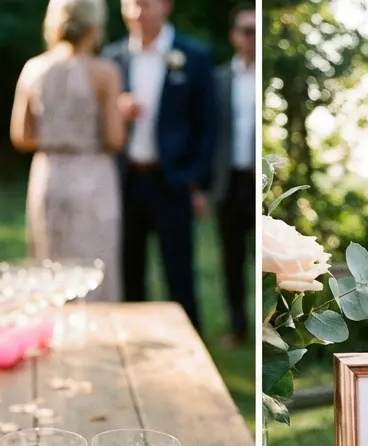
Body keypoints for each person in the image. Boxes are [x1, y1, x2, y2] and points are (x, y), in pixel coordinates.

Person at [104, 0, 216, 329]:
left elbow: (207, 125)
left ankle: (191, 344)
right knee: (129, 268)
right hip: (125, 180)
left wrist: (198, 182)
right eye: (131, 5)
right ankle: (132, 340)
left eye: (146, 4)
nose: (138, 13)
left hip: (173, 181)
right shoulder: (112, 58)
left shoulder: (193, 55)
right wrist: (117, 111)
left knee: (179, 272)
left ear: (166, 6)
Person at [12, 0, 126, 301]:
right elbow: (115, 139)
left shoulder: (33, 68)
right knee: (93, 267)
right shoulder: (105, 72)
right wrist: (121, 114)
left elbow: (21, 136)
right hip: (93, 174)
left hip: (48, 172)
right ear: (95, 25)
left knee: (48, 260)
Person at [212, 6, 255, 347]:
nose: (251, 37)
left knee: (267, 264)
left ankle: (269, 330)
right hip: (229, 182)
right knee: (232, 260)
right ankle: (237, 326)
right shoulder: (219, 79)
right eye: (245, 29)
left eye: (256, 30)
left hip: (259, 181)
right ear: (233, 35)